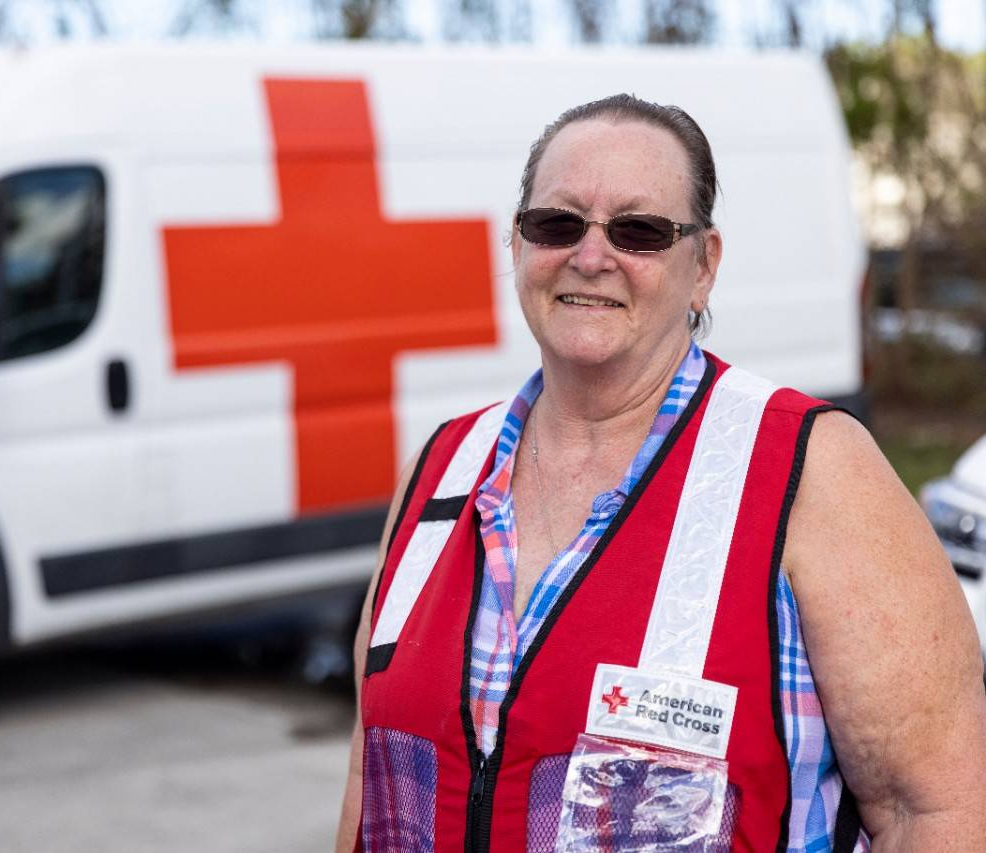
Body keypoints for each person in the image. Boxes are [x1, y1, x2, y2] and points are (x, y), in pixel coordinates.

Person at [335, 94, 986, 852]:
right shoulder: (438, 476)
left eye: (638, 231)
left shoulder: (814, 472)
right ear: (516, 245)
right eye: (558, 223)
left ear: (703, 265)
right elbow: (367, 780)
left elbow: (939, 810)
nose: (590, 255)